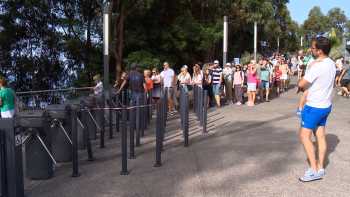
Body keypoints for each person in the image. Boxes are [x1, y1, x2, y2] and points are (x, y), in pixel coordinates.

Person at [295, 37, 335, 182]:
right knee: (320, 136)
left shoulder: (319, 66)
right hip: (325, 106)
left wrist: (300, 85)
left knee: (304, 136)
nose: (311, 50)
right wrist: (315, 62)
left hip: (314, 106)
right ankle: (320, 166)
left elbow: (301, 82)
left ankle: (313, 170)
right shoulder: (330, 63)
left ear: (319, 50)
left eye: (312, 48)